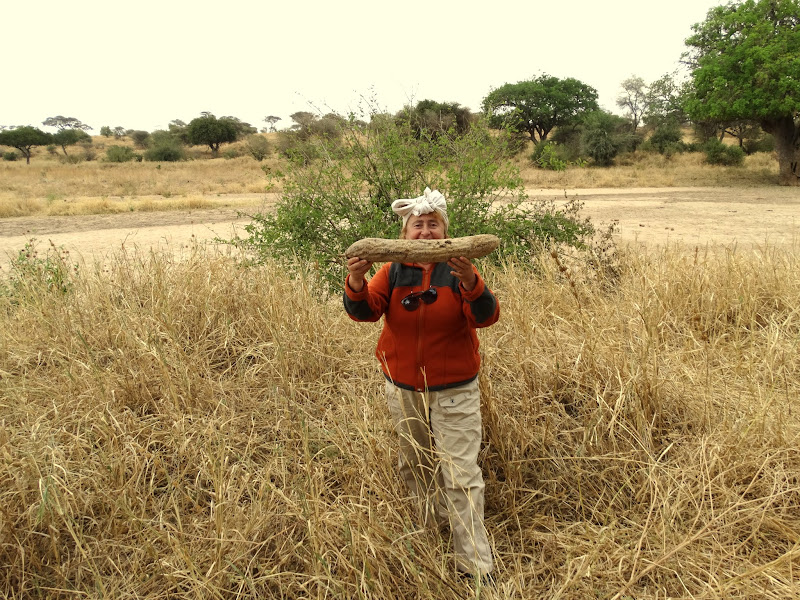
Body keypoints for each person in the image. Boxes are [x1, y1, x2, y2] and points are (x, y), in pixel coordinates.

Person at [343, 187, 500, 580]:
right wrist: (356, 281)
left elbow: (486, 316)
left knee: (461, 474)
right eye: (418, 226)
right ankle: (431, 537)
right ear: (404, 235)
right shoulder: (392, 270)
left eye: (434, 225)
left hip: (454, 389)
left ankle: (475, 567)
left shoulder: (459, 269)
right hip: (403, 387)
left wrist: (469, 280)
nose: (426, 233)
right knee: (415, 464)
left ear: (446, 232)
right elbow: (365, 312)